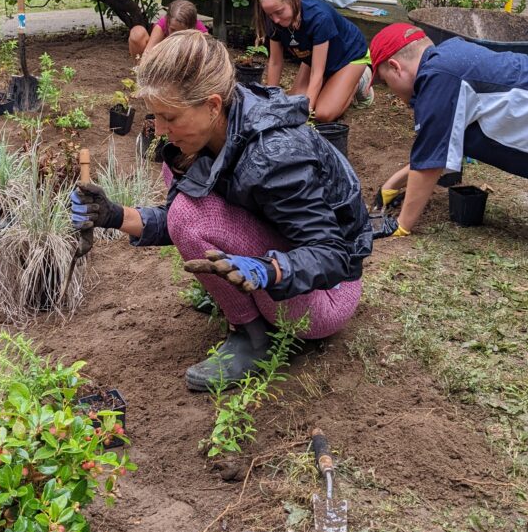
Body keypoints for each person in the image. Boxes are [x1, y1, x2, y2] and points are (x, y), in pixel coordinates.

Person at [72, 29, 373, 391]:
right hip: (287, 265)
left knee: (189, 212)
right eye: (156, 117)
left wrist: (267, 270)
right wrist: (114, 216)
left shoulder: (274, 155)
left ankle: (252, 340)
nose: (162, 131)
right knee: (184, 198)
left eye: (171, 117)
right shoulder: (208, 136)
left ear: (213, 105)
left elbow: (333, 254)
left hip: (327, 296)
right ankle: (251, 315)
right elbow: (183, 225)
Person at [369, 22, 528, 279]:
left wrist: (402, 225)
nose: (391, 91)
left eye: (384, 82)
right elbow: (438, 148)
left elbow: (429, 164)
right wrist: (393, 183)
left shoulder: (440, 77)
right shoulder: (452, 61)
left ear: (395, 68)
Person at [254, 0, 374, 122]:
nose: (275, 19)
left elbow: (317, 74)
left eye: (279, 12)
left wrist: (306, 114)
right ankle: (335, 85)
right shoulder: (273, 21)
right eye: (270, 14)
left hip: (348, 55)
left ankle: (358, 82)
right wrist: (271, 104)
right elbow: (275, 63)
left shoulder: (318, 18)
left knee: (322, 114)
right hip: (315, 56)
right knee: (294, 103)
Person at [128, 0, 209, 59]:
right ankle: (139, 71)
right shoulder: (162, 24)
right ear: (168, 22)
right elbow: (149, 52)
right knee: (137, 32)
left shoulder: (200, 31)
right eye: (173, 30)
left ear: (191, 27)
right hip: (164, 58)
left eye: (182, 32)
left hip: (186, 63)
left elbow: (208, 57)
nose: (175, 35)